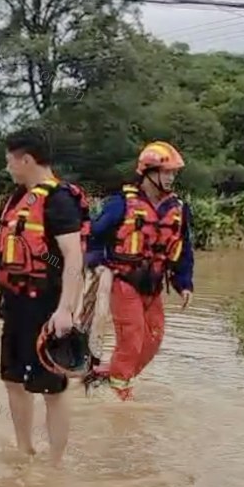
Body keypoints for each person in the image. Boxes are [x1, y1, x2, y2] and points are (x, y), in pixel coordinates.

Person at [0, 128, 88, 467]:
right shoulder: (16, 198)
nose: (8, 166)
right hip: (15, 302)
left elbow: (73, 258)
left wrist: (66, 310)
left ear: (26, 160)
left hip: (48, 305)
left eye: (10, 160)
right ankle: (24, 450)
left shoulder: (58, 200)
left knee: (52, 391)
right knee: (13, 380)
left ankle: (55, 464)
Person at [85, 141, 194, 401]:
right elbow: (94, 236)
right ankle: (119, 398)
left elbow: (184, 248)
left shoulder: (178, 209)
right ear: (149, 172)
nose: (171, 178)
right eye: (166, 172)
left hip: (154, 284)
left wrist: (184, 282)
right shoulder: (120, 204)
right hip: (123, 280)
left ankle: (105, 376)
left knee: (152, 340)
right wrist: (96, 264)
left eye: (173, 173)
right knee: (131, 338)